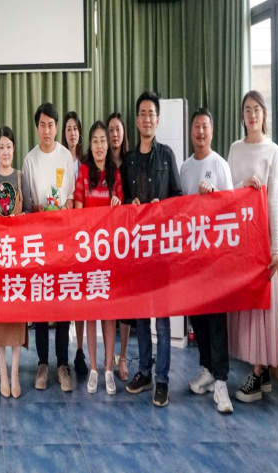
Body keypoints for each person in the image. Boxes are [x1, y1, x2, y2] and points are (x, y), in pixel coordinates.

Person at [123, 92, 182, 407]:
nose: (147, 119)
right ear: (137, 120)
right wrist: (131, 204)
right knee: (141, 316)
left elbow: (179, 197)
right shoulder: (129, 161)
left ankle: (162, 380)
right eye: (142, 113)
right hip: (137, 251)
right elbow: (122, 203)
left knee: (162, 318)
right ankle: (144, 372)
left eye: (151, 114)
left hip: (161, 251)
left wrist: (164, 206)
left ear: (157, 120)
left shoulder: (167, 156)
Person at [227, 91, 278, 403]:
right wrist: (243, 186)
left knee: (262, 303)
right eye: (247, 110)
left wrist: (276, 246)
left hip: (262, 239)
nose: (252, 115)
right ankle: (261, 373)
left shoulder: (272, 150)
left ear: (264, 114)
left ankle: (258, 371)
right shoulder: (235, 149)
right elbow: (228, 191)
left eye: (256, 110)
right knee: (247, 304)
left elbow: (273, 200)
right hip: (240, 238)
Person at [180, 108, 234, 414]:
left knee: (216, 319)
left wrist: (214, 196)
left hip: (215, 259)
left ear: (212, 132)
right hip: (191, 258)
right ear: (191, 132)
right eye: (196, 127)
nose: (200, 132)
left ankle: (222, 380)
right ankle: (208, 369)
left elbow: (232, 207)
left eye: (205, 127)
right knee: (197, 317)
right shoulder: (186, 167)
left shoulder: (220, 165)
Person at [22, 102, 76, 392]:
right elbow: (28, 204)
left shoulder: (66, 157)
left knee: (63, 301)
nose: (46, 130)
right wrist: (40, 209)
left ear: (57, 128)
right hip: (38, 242)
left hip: (63, 240)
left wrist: (63, 207)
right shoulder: (29, 160)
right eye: (42, 124)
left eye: (51, 125)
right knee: (42, 301)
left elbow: (72, 198)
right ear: (37, 127)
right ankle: (43, 364)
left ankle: (63, 365)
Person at [0, 126, 31, 398]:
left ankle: (15, 374)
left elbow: (31, 214)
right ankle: (2, 372)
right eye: (1, 147)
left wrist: (17, 220)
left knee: (17, 317)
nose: (5, 151)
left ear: (14, 148)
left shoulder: (21, 177)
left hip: (18, 259)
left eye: (9, 146)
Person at [73, 121, 123, 396]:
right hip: (88, 254)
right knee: (91, 312)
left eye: (103, 140)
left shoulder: (116, 173)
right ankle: (93, 367)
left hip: (110, 255)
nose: (100, 145)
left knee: (109, 314)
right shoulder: (83, 172)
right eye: (95, 141)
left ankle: (108, 369)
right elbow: (78, 211)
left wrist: (116, 205)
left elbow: (123, 212)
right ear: (90, 146)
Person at [62, 111, 88, 377]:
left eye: (75, 129)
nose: (72, 133)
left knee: (80, 295)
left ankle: (79, 350)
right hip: (61, 235)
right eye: (68, 129)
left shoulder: (86, 162)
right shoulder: (58, 158)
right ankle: (60, 356)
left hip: (83, 236)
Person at [108, 111, 133, 382]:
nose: (114, 135)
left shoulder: (131, 161)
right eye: (110, 130)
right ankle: (107, 358)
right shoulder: (98, 166)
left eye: (118, 130)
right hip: (103, 243)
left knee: (125, 302)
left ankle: (123, 356)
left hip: (126, 241)